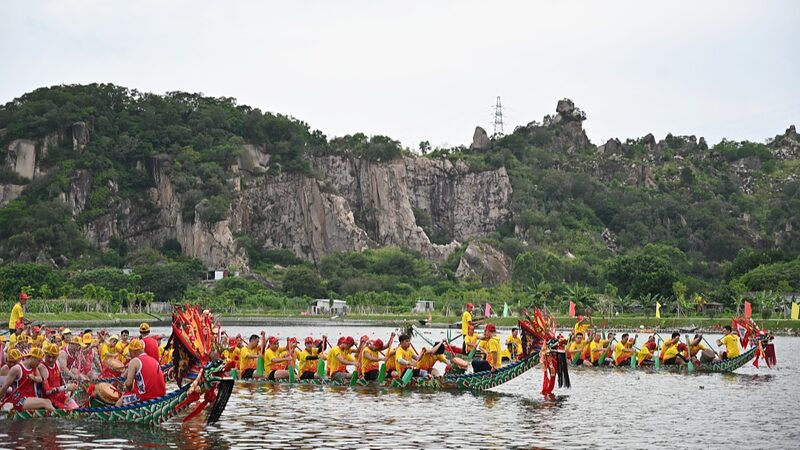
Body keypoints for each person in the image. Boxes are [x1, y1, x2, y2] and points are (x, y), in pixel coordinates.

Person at [0, 347, 54, 412]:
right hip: (18, 400)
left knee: (48, 401)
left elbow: (40, 379)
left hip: (29, 398)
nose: (39, 364)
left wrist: (33, 378)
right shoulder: (17, 369)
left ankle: (54, 415)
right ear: (33, 358)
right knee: (46, 403)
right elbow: (5, 386)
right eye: (39, 361)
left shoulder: (34, 367)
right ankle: (58, 416)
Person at [116, 339, 166, 406]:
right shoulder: (153, 360)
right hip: (161, 395)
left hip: (146, 397)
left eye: (130, 352)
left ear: (133, 352)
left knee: (119, 402)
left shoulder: (134, 361)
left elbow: (129, 384)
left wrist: (125, 388)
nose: (129, 355)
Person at [38, 343, 79, 410]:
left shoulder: (57, 363)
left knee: (77, 409)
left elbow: (61, 381)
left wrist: (69, 390)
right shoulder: (42, 367)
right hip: (50, 400)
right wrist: (66, 387)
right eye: (48, 356)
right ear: (44, 354)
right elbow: (47, 391)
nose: (51, 360)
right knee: (69, 411)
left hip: (61, 396)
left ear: (57, 356)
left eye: (53, 357)